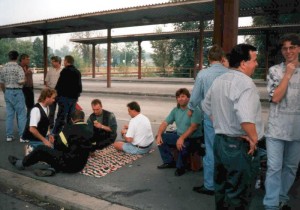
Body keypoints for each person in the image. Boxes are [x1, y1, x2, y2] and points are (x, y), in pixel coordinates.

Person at [201, 44, 264, 209]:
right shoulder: (246, 84)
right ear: (243, 63)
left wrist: (220, 122)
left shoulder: (219, 81)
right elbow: (245, 117)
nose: (256, 64)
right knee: (239, 195)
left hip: (220, 142)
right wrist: (254, 138)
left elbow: (205, 106)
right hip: (239, 146)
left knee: (221, 189)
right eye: (254, 60)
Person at [263, 34, 300, 210]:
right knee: (274, 167)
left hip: (297, 130)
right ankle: (270, 204)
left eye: (292, 47)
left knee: (291, 167)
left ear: (299, 48)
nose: (288, 51)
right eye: (285, 48)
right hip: (276, 129)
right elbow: (276, 97)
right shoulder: (274, 71)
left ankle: (281, 198)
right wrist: (288, 74)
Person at [188, 45, 228, 194]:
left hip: (211, 117)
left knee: (211, 150)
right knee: (226, 150)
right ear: (222, 58)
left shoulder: (203, 74)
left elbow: (196, 96)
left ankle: (210, 185)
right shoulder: (229, 73)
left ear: (209, 58)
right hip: (228, 119)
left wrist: (191, 108)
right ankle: (224, 184)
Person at [8, 110, 93, 177]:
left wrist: (54, 141)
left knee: (41, 149)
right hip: (80, 166)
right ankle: (53, 169)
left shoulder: (68, 129)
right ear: (83, 118)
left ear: (72, 120)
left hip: (68, 164)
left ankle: (21, 163)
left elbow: (58, 146)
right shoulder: (91, 131)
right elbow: (92, 148)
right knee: (59, 153)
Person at [156, 88, 203, 176]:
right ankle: (169, 161)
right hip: (180, 136)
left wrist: (181, 138)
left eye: (183, 96)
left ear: (188, 98)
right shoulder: (175, 110)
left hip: (194, 138)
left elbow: (194, 127)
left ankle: (181, 167)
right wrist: (159, 135)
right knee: (160, 137)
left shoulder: (194, 109)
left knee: (183, 145)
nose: (180, 99)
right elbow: (164, 123)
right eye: (178, 97)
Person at [51, 55, 82, 137]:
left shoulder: (64, 71)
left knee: (61, 115)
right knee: (70, 117)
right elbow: (79, 87)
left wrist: (56, 94)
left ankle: (55, 133)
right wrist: (76, 97)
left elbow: (59, 85)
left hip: (64, 98)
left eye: (64, 60)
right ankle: (69, 134)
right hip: (73, 99)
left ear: (67, 61)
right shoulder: (77, 72)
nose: (63, 62)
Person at [0, 50, 27, 142]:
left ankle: (9, 136)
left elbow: (1, 82)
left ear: (9, 57)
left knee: (9, 115)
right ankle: (22, 136)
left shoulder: (4, 68)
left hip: (8, 91)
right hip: (17, 92)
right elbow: (20, 81)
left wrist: (5, 92)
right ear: (17, 57)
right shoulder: (19, 68)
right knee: (21, 114)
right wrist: (25, 80)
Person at [45, 56, 62, 130]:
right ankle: (50, 125)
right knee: (51, 111)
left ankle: (59, 125)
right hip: (51, 92)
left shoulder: (63, 70)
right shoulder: (50, 70)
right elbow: (46, 81)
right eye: (51, 61)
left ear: (58, 62)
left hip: (60, 93)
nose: (52, 63)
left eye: (53, 61)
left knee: (61, 111)